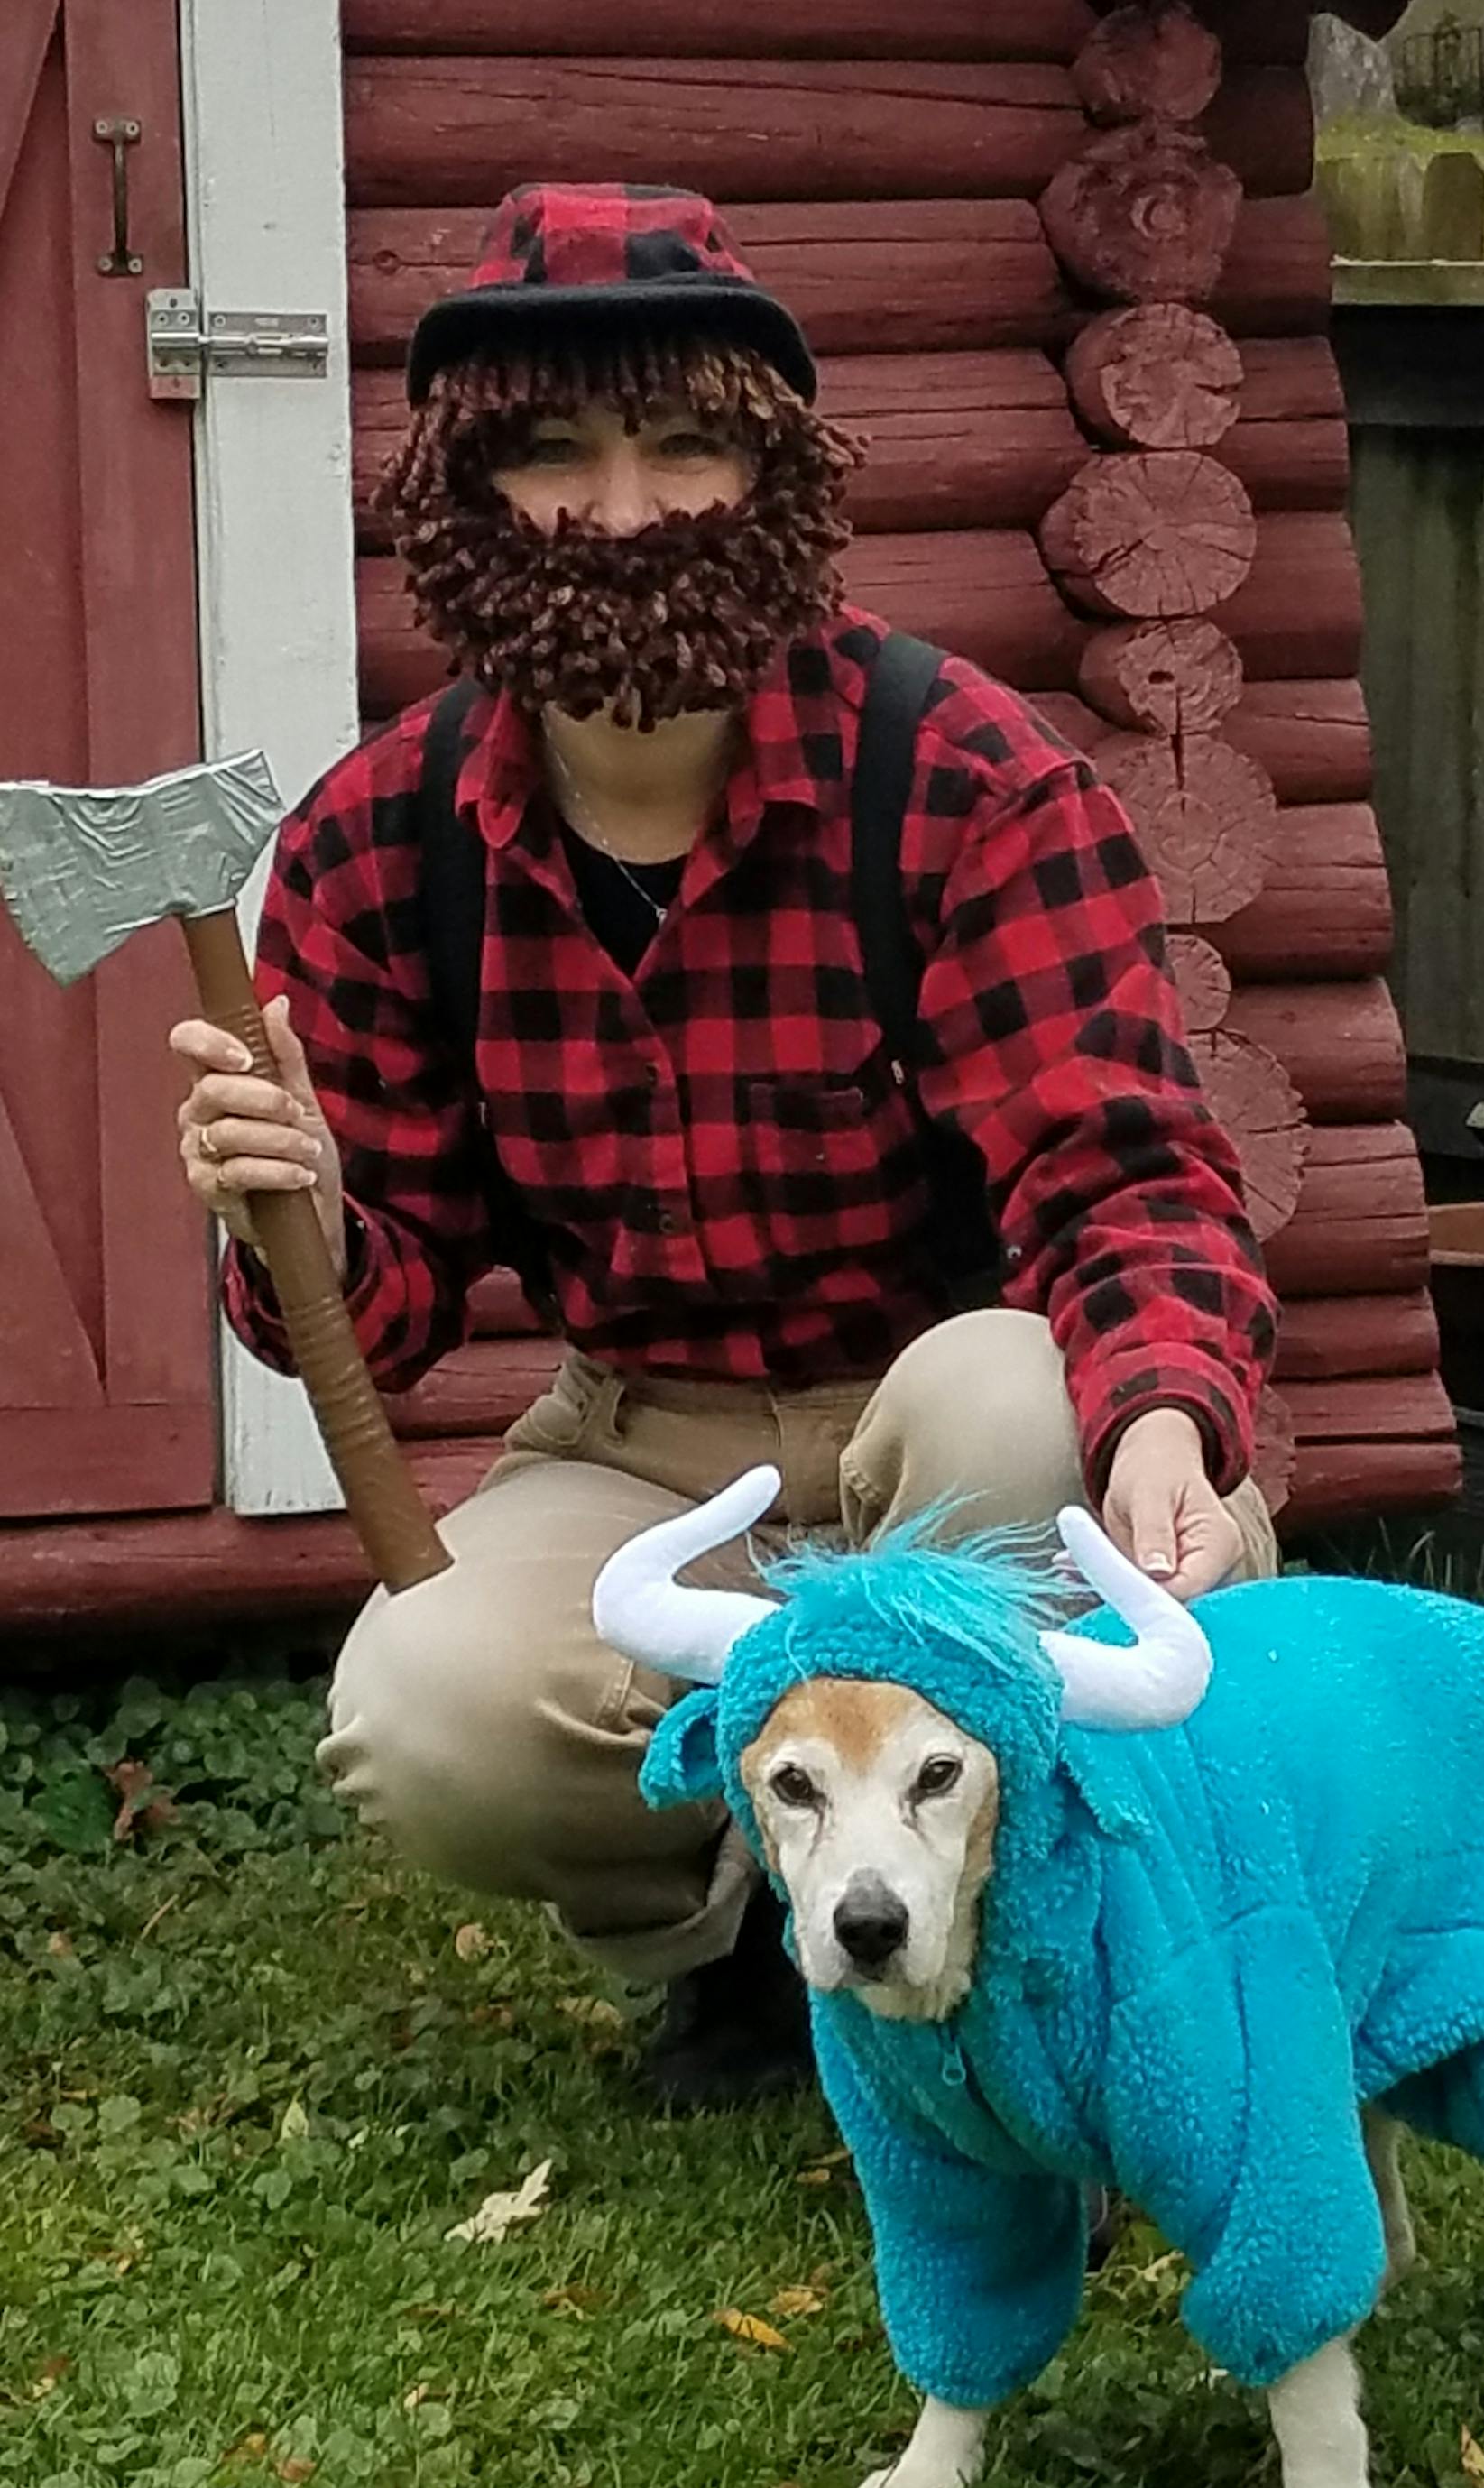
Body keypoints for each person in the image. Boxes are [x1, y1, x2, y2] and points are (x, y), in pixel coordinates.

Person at [170, 182, 1281, 2110]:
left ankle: (1039, 1932)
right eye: (553, 455)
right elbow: (391, 1313)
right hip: (638, 1439)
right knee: (423, 1707)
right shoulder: (375, 844)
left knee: (1025, 1400)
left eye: (683, 441)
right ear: (465, 494)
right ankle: (766, 1947)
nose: (622, 510)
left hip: (937, 1406)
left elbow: (1120, 1178)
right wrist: (321, 1224)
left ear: (771, 471)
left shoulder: (964, 780)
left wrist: (1171, 1425)